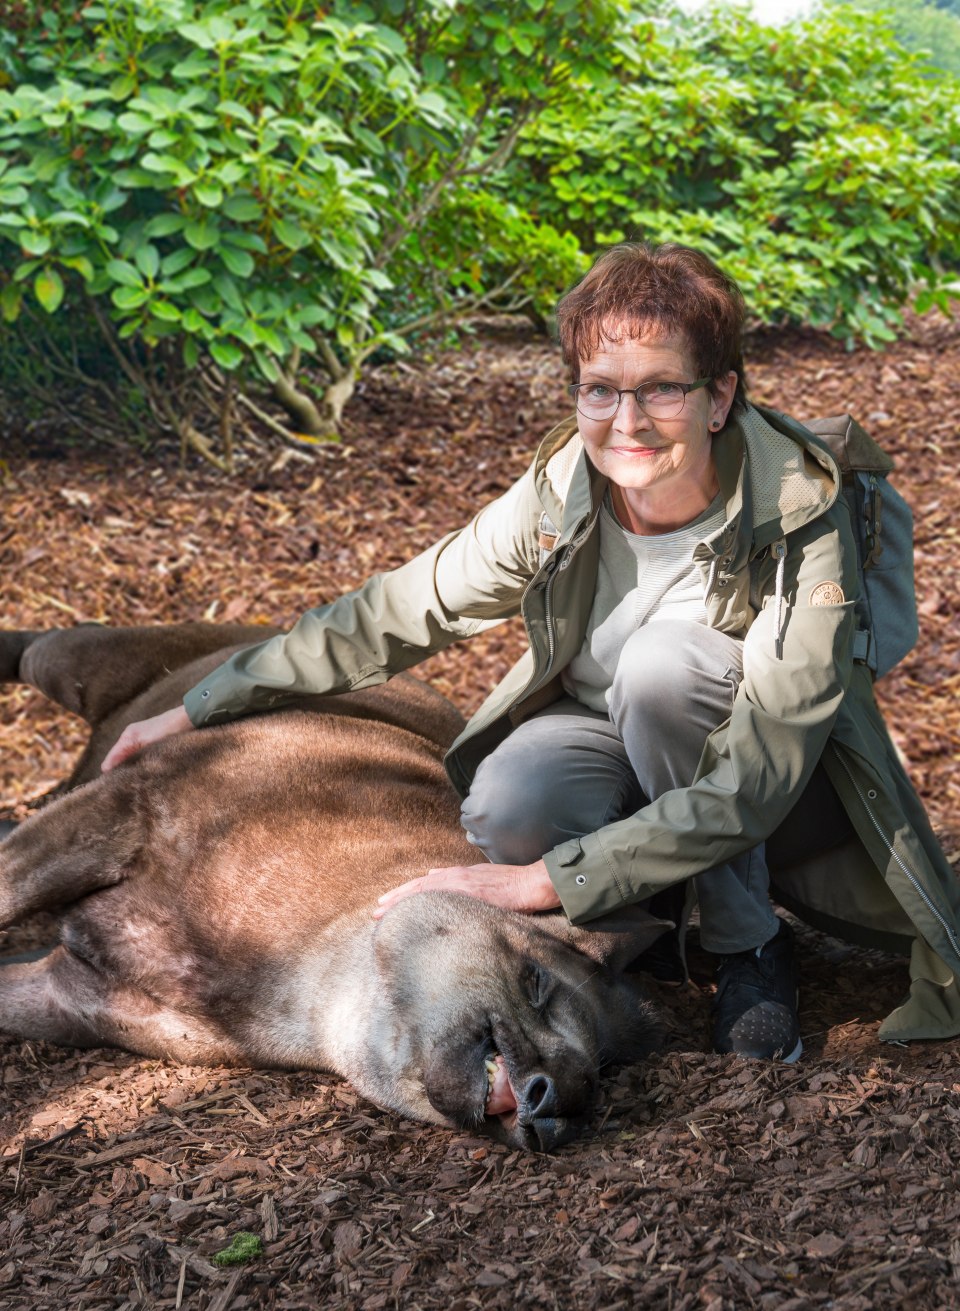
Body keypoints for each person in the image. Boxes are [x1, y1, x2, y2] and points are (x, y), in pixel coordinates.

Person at [103, 242, 960, 1061]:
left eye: (662, 389)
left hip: (776, 782)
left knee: (662, 670)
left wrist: (540, 886)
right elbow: (397, 611)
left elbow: (758, 775)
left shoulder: (797, 509)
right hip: (609, 735)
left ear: (719, 396)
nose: (627, 422)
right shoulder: (563, 492)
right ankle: (652, 907)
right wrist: (201, 703)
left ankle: (749, 945)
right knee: (511, 798)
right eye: (600, 390)